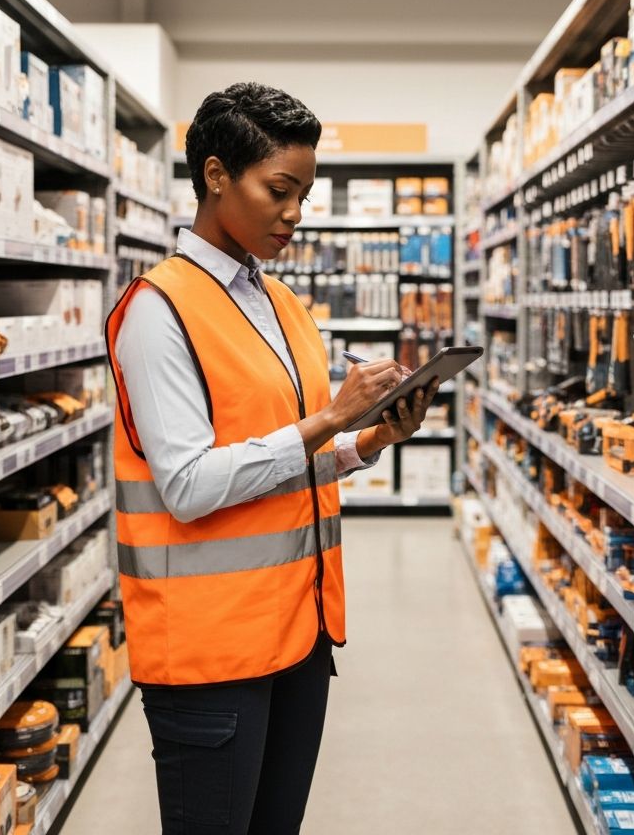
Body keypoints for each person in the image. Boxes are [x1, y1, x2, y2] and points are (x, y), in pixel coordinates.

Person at [105, 81, 439, 835]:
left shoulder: (281, 303)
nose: (294, 214)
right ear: (217, 175)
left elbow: (282, 456)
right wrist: (329, 416)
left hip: (298, 633)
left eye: (304, 194)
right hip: (209, 652)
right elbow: (189, 486)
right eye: (278, 190)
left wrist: (368, 439)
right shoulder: (158, 312)